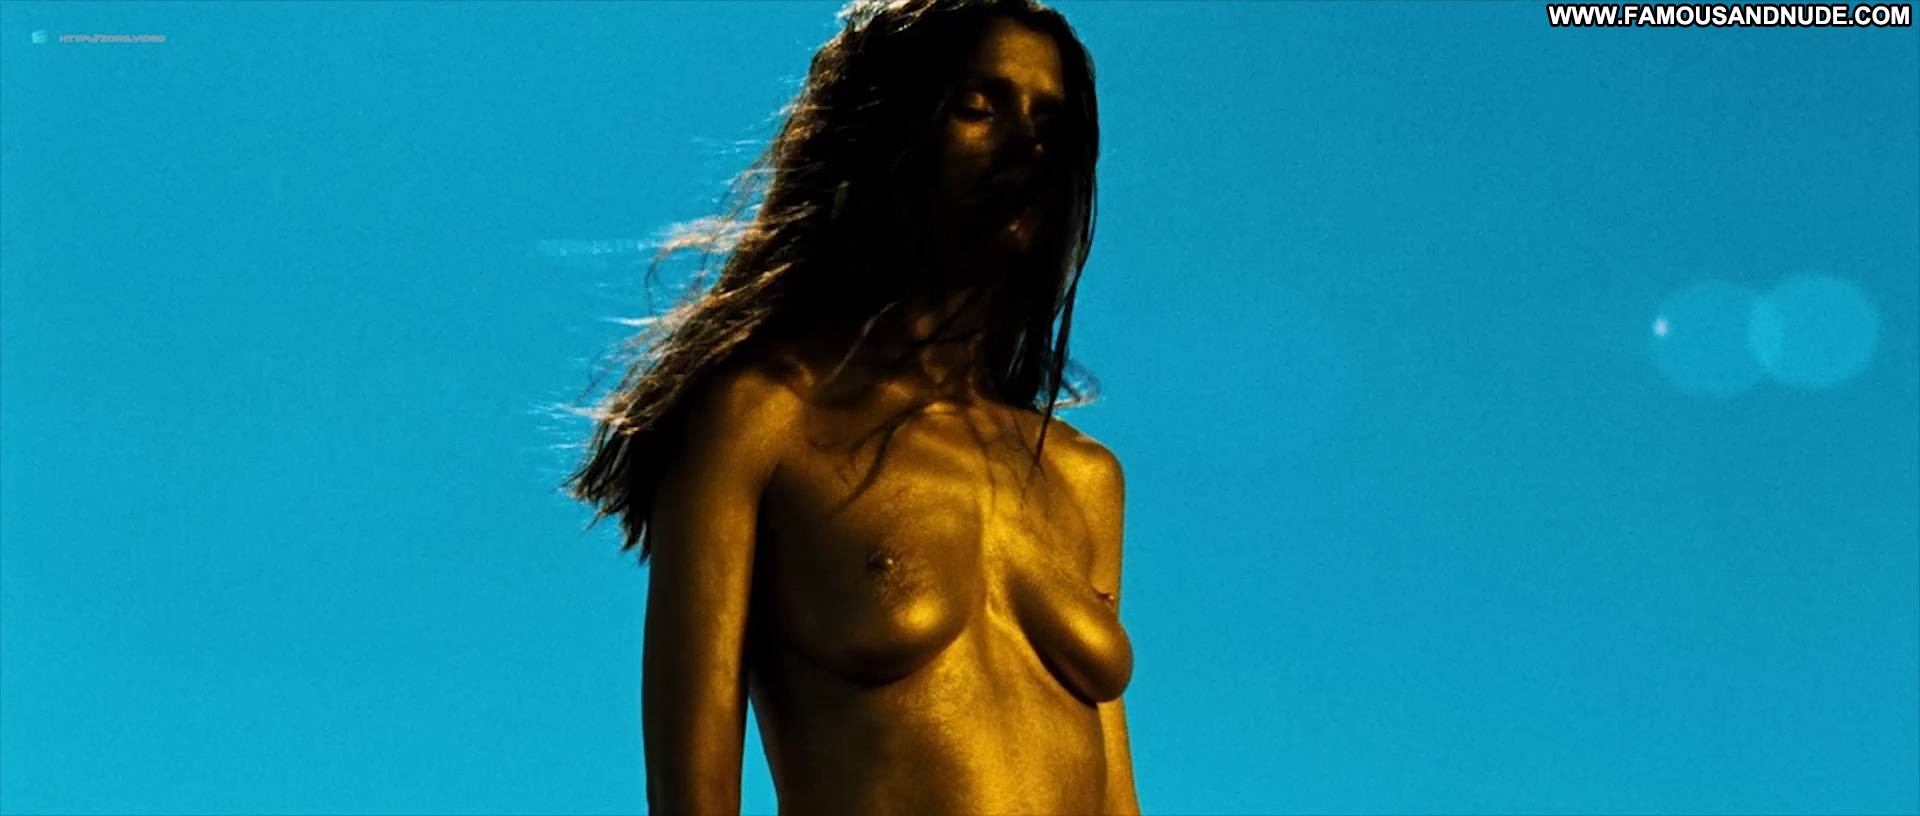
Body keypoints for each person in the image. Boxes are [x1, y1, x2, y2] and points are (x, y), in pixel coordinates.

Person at [562, 1, 1138, 812]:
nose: (1025, 148)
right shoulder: (761, 419)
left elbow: (1117, 796)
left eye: (1050, 125)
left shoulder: (1081, 478)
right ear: (881, 135)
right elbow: (693, 795)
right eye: (977, 107)